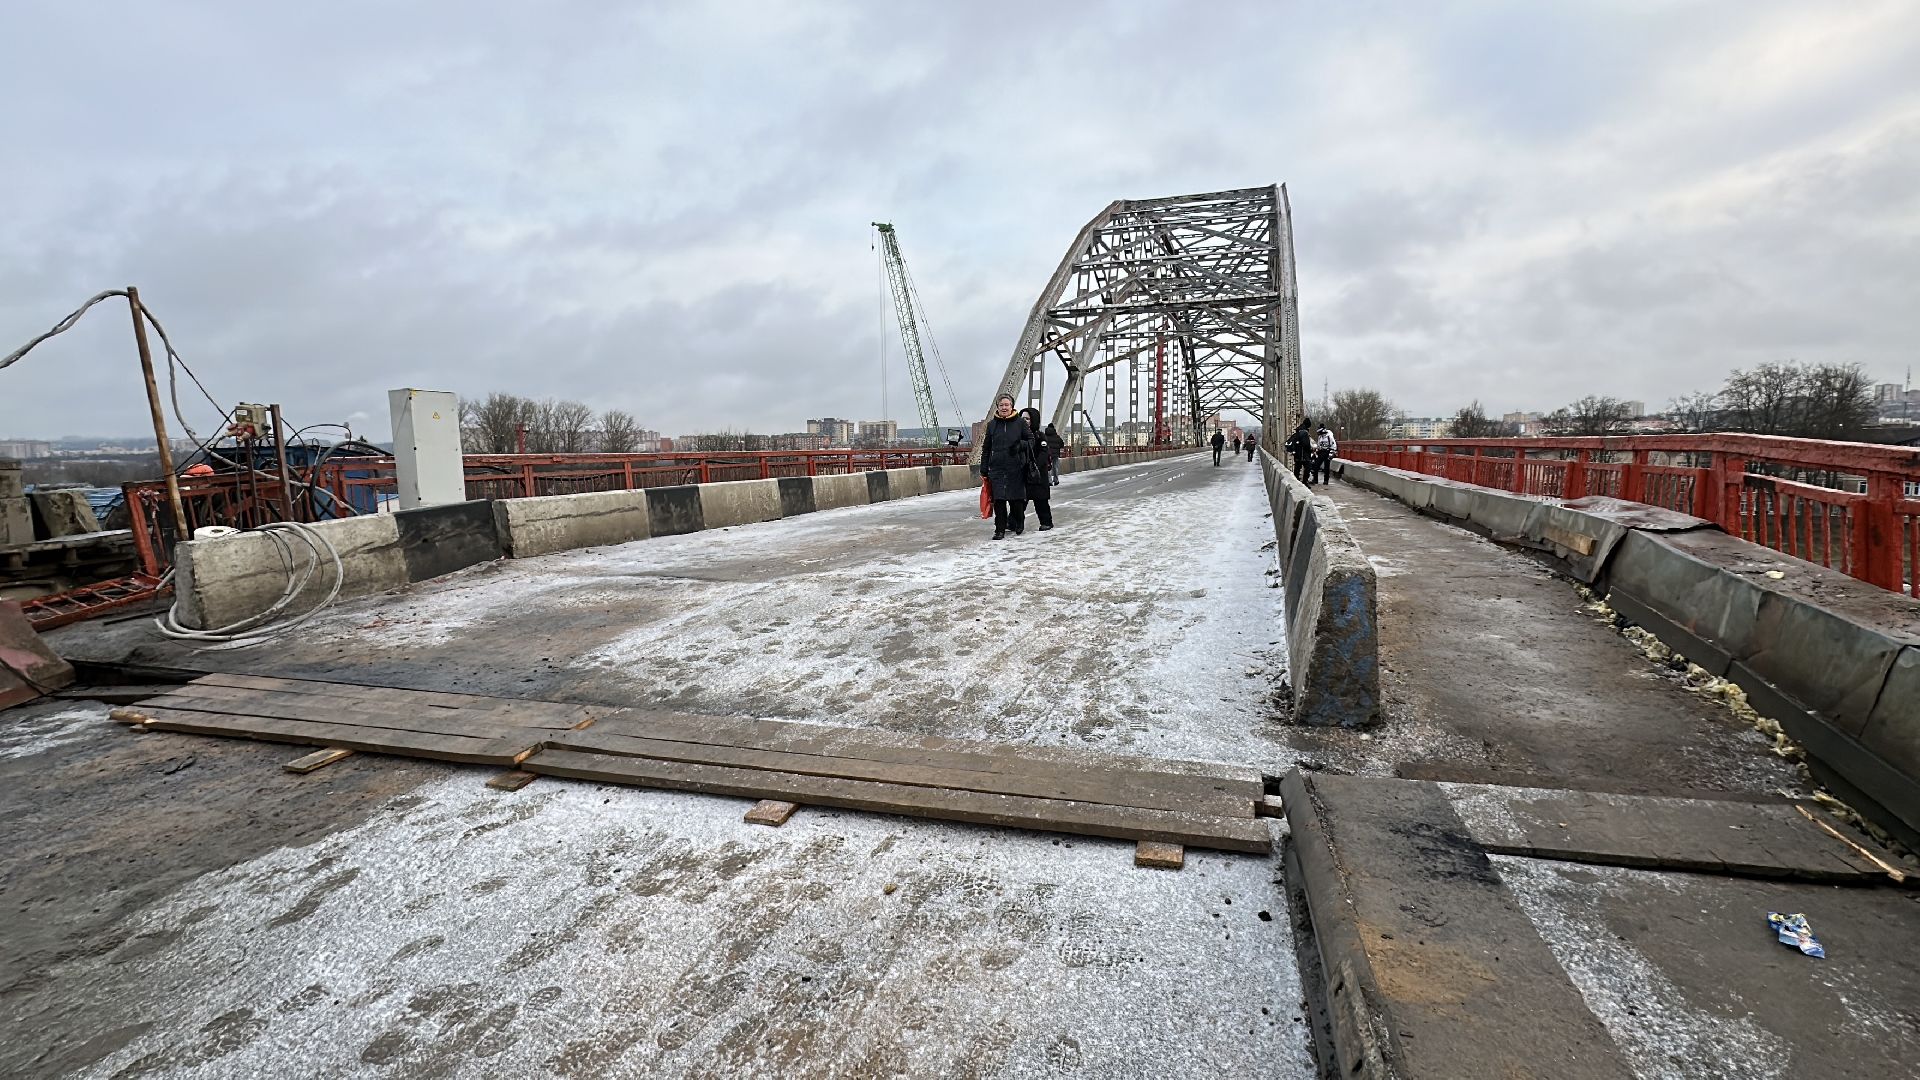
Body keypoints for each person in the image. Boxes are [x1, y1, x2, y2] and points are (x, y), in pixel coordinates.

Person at [980, 394, 1035, 539]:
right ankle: (1000, 529)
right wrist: (984, 467)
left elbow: (1031, 440)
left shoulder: (1020, 423)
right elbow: (986, 448)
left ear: (1012, 406)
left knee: (1016, 499)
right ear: (997, 407)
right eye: (1001, 405)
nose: (1004, 407)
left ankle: (1019, 521)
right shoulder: (992, 425)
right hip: (997, 468)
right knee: (999, 500)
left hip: (1015, 466)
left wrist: (1020, 446)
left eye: (1007, 405)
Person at [1021, 408, 1057, 531]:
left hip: (1038, 474)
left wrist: (1034, 465)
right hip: (1023, 473)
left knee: (1040, 501)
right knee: (1020, 501)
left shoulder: (1040, 436)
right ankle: (1013, 522)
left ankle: (1046, 522)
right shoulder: (1019, 435)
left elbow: (1044, 453)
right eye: (1022, 418)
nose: (1024, 420)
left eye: (1027, 418)